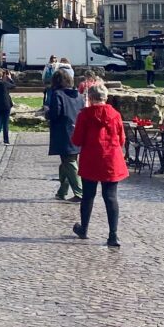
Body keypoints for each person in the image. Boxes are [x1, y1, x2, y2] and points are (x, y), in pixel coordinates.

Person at [70, 83, 128, 248]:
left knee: (88, 195)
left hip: (91, 159)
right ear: (105, 97)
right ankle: (113, 235)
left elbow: (77, 140)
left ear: (91, 98)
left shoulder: (84, 115)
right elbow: (122, 139)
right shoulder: (115, 115)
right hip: (111, 159)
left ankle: (84, 229)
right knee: (110, 197)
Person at [47, 70, 83, 202]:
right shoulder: (78, 95)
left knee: (69, 162)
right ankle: (62, 191)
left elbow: (55, 113)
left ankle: (80, 192)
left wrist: (47, 113)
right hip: (76, 129)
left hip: (64, 132)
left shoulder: (58, 94)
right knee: (65, 163)